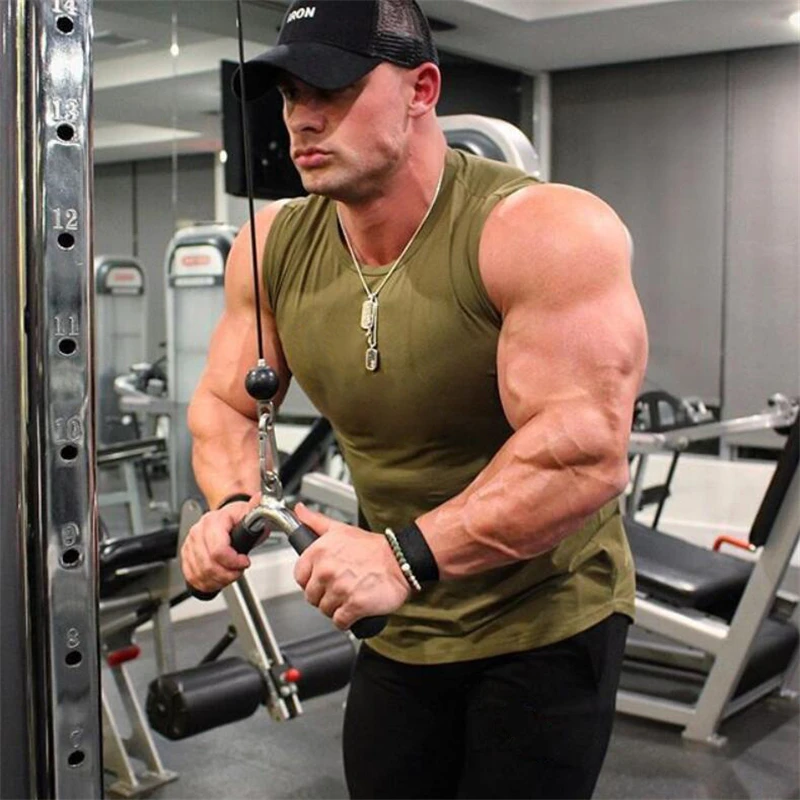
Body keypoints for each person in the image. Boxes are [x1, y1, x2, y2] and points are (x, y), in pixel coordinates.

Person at [181, 0, 649, 797]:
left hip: (543, 617)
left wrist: (402, 556)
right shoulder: (271, 246)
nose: (302, 119)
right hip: (398, 622)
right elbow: (227, 405)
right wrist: (232, 505)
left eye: (332, 89)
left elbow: (582, 455)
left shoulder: (542, 230)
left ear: (421, 89)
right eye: (291, 95)